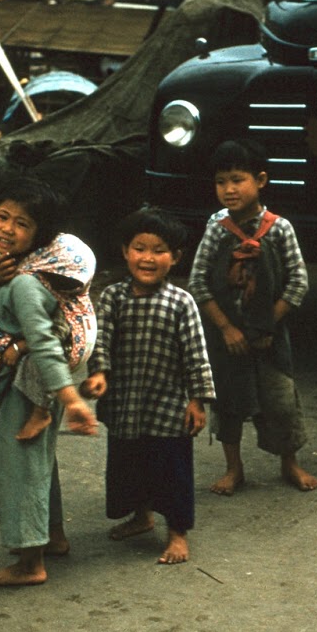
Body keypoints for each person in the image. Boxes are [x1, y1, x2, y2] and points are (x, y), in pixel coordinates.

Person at [0, 176, 97, 586]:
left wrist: (71, 401)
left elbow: (44, 345)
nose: (8, 229)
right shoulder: (3, 261)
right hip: (22, 373)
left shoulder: (30, 282)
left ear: (40, 234)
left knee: (19, 465)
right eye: (2, 216)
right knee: (38, 460)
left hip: (33, 379)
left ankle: (31, 563)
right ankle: (53, 538)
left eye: (22, 223)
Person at [82, 209, 215, 565]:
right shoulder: (113, 297)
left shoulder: (181, 302)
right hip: (125, 400)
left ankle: (177, 533)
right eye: (140, 248)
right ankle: (141, 517)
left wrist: (198, 400)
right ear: (125, 251)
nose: (148, 258)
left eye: (159, 250)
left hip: (168, 405)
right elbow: (102, 341)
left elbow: (196, 355)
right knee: (130, 463)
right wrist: (100, 374)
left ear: (175, 257)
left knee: (171, 469)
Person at [189, 140, 317, 494]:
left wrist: (266, 325)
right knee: (229, 403)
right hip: (226, 338)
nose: (228, 190)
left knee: (280, 400)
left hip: (270, 337)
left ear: (260, 180)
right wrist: (227, 329)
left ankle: (289, 463)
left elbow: (298, 284)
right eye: (220, 182)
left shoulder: (280, 228)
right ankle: (234, 469)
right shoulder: (216, 229)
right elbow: (198, 282)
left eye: (237, 180)